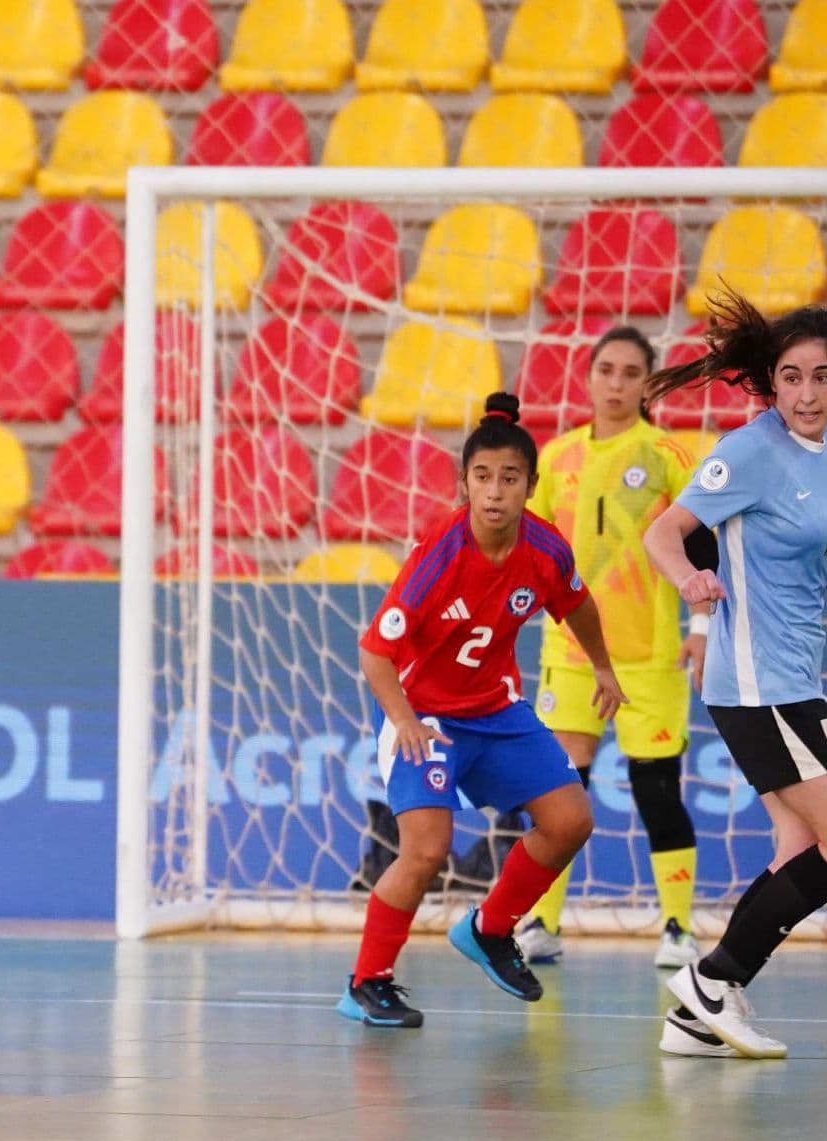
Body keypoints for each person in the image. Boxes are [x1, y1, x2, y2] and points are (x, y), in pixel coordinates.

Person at [341, 393, 627, 1029]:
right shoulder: (438, 556)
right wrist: (407, 722)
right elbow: (374, 653)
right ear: (463, 482)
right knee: (426, 850)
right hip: (427, 717)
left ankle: (490, 929)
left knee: (571, 819)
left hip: (497, 709)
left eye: (509, 478)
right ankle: (367, 980)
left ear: (530, 485)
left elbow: (577, 603)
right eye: (482, 477)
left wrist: (603, 665)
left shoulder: (545, 549)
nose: (495, 491)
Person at [640, 289, 827, 1060]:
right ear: (770, 383)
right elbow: (664, 532)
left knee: (802, 855)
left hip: (801, 679)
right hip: (758, 683)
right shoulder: (752, 450)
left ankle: (697, 1011)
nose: (807, 394)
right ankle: (713, 979)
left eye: (821, 377)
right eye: (791, 378)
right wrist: (690, 582)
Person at [516, 327, 714, 971]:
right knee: (559, 792)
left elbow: (704, 542)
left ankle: (679, 928)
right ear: (589, 377)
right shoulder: (560, 455)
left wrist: (701, 626)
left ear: (648, 383)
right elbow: (529, 550)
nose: (617, 382)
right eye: (606, 369)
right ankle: (541, 923)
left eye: (632, 372)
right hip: (569, 654)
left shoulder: (665, 455)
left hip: (649, 656)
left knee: (656, 791)